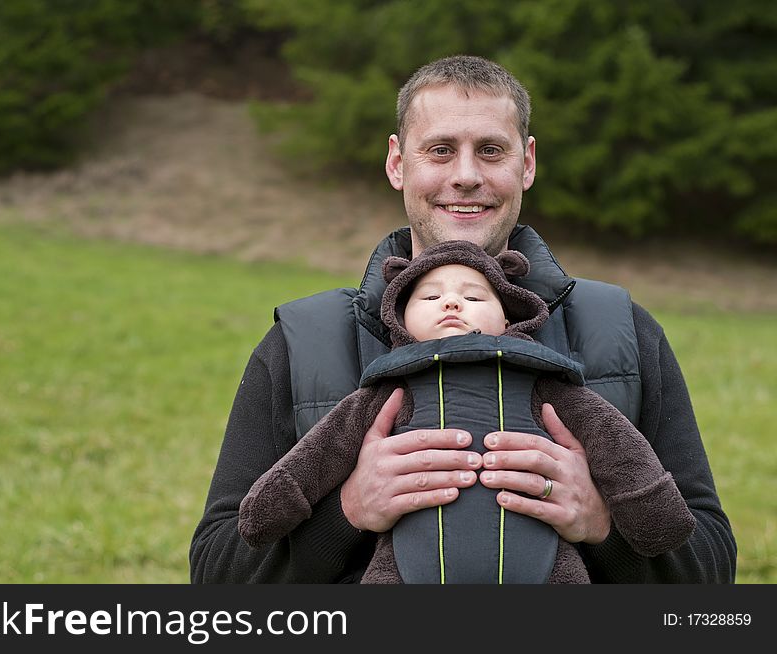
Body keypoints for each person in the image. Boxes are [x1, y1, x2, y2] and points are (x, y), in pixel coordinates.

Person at [189, 55, 736, 583]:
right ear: (398, 163)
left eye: (492, 150)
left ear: (528, 163)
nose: (467, 176)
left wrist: (602, 525)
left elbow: (711, 573)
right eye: (441, 150)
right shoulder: (303, 340)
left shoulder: (620, 330)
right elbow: (216, 575)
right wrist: (348, 511)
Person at [236, 241, 696, 583]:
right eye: (430, 297)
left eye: (475, 297)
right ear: (397, 319)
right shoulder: (383, 390)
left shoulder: (551, 383)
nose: (453, 303)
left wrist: (607, 522)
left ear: (511, 318)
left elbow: (621, 453)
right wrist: (347, 509)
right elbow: (320, 455)